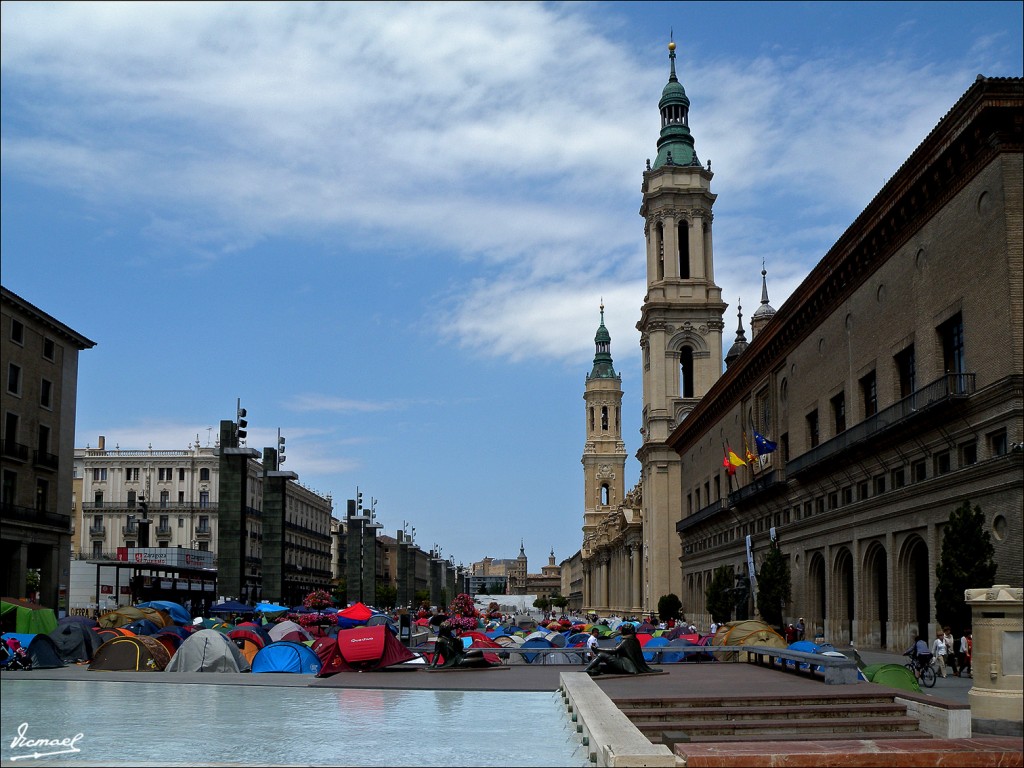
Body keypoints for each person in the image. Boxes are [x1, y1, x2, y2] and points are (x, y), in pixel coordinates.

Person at [584, 623, 654, 676]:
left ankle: (586, 669)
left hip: (625, 665)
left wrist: (598, 649)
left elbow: (615, 650)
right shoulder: (634, 640)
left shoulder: (626, 640)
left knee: (601, 654)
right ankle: (592, 670)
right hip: (628, 665)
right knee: (601, 667)